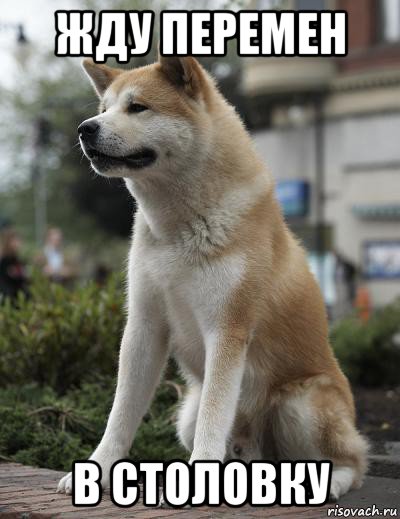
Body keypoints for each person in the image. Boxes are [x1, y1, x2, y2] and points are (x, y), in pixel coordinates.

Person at [0, 229, 28, 299]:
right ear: (9, 243)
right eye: (16, 241)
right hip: (9, 295)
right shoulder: (5, 259)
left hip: (17, 293)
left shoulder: (16, 258)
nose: (19, 243)